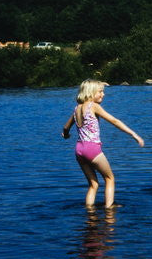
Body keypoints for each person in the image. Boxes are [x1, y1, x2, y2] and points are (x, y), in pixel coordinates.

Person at [61, 79, 143, 208]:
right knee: (109, 178)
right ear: (91, 92)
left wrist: (66, 135)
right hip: (92, 148)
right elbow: (114, 121)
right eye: (100, 91)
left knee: (93, 184)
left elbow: (66, 128)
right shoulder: (93, 106)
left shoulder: (76, 108)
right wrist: (134, 134)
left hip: (79, 150)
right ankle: (109, 208)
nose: (103, 94)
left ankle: (89, 211)